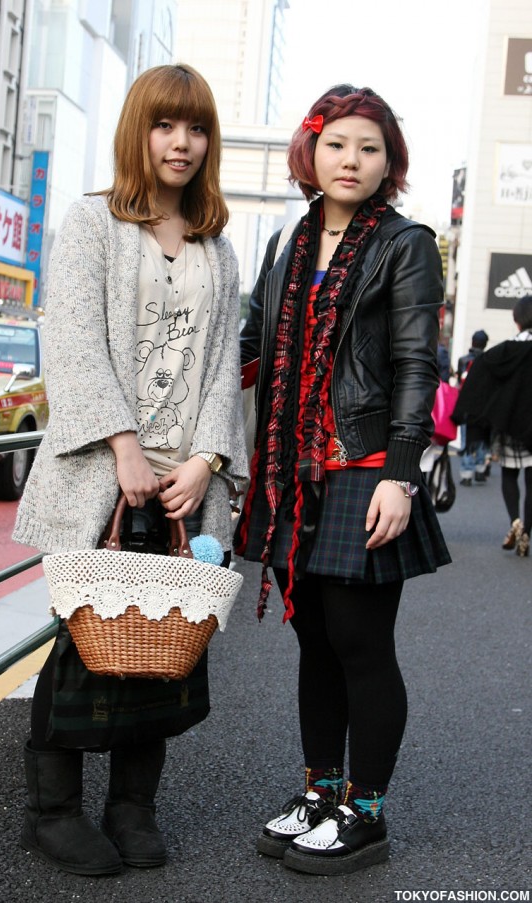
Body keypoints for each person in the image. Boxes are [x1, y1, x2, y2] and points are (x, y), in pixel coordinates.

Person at [12, 63, 247, 876]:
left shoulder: (219, 243)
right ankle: (52, 812)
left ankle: (132, 807)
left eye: (196, 128)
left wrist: (209, 459)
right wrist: (120, 447)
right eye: (164, 125)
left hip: (183, 485)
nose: (181, 143)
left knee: (165, 648)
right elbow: (70, 337)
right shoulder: (90, 223)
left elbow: (224, 366)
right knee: (82, 643)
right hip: (101, 475)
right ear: (137, 131)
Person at [235, 84, 451, 877]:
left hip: (362, 463)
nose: (351, 160)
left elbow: (414, 363)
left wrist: (401, 471)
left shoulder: (406, 242)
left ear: (389, 159)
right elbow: (254, 341)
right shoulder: (290, 243)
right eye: (336, 144)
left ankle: (365, 812)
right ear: (310, 151)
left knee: (361, 641)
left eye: (369, 147)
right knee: (313, 640)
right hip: (295, 467)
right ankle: (320, 792)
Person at [452, 295, 532, 557]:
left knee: (509, 475)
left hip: (509, 425)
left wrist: (465, 413)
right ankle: (528, 531)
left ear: (516, 319)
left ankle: (514, 522)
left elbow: (480, 375)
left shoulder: (504, 352)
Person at [456, 329, 491, 486]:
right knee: (483, 439)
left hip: (466, 406)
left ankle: (466, 474)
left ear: (472, 342)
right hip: (484, 407)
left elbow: (459, 383)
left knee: (466, 439)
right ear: (485, 344)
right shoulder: (489, 360)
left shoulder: (463, 360)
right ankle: (480, 470)